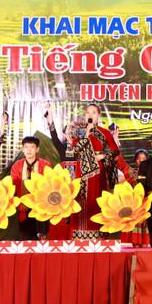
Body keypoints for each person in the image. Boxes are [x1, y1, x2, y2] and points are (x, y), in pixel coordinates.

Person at [46, 103, 122, 240]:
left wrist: (103, 156)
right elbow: (76, 148)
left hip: (99, 170)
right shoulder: (79, 131)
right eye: (88, 112)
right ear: (85, 115)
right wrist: (86, 134)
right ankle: (78, 234)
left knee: (97, 200)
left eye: (94, 112)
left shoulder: (104, 133)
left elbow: (116, 151)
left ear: (98, 115)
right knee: (81, 200)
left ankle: (99, 234)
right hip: (81, 171)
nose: (90, 115)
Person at [9, 136, 52, 240]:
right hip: (24, 205)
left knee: (42, 236)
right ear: (22, 149)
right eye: (26, 147)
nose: (29, 150)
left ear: (37, 149)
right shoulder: (17, 165)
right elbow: (12, 185)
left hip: (41, 205)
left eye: (32, 147)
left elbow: (49, 185)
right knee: (26, 237)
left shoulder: (45, 165)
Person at [121, 149, 151, 248]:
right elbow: (121, 164)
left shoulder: (151, 175)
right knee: (136, 245)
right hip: (134, 208)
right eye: (138, 159)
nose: (141, 161)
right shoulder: (132, 173)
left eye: (143, 158)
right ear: (135, 161)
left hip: (146, 207)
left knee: (144, 245)